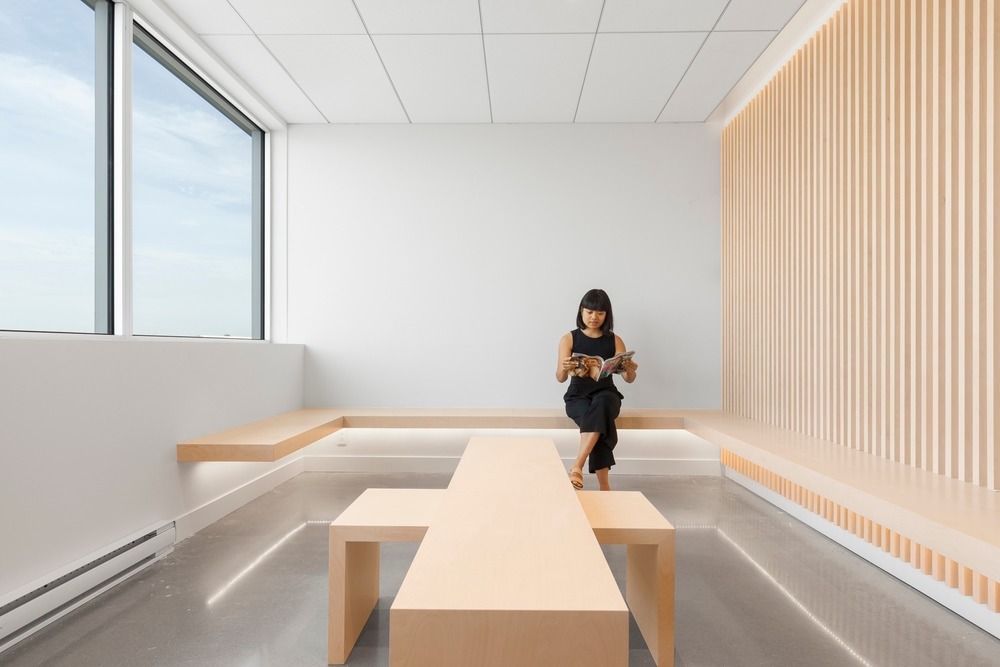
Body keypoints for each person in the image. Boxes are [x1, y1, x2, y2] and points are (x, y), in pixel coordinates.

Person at [555, 288, 638, 491]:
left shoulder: (615, 340)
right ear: (581, 311)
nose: (594, 317)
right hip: (577, 396)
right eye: (590, 312)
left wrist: (630, 370)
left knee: (601, 404)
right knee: (599, 424)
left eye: (600, 313)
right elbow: (560, 378)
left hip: (607, 394)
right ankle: (604, 487)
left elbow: (628, 379)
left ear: (607, 315)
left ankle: (577, 466)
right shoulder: (569, 339)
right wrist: (564, 368)